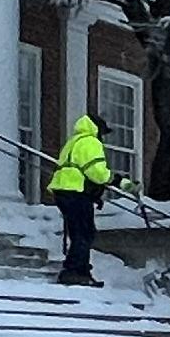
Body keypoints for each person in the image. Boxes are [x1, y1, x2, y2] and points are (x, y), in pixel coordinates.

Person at [49, 112, 112, 286]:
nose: (103, 137)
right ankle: (74, 271)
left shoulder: (73, 142)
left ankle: (80, 270)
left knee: (78, 232)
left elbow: (77, 170)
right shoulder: (91, 142)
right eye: (102, 132)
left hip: (64, 192)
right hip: (75, 193)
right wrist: (115, 180)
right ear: (97, 129)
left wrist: (93, 194)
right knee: (84, 233)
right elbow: (97, 172)